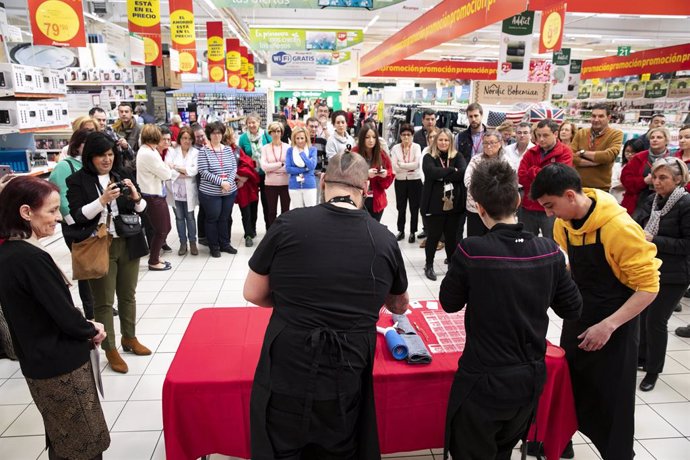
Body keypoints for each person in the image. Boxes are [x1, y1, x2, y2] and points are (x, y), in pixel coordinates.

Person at [243, 151, 409, 459]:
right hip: (346, 368)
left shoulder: (288, 224)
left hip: (288, 362)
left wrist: (290, 304)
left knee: (282, 445)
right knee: (338, 447)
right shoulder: (383, 239)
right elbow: (399, 305)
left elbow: (252, 292)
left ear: (322, 182)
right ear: (366, 189)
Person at [439, 160, 582, 460]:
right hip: (529, 379)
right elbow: (572, 307)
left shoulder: (471, 250)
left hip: (483, 380)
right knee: (503, 450)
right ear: (518, 199)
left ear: (479, 207)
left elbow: (449, 303)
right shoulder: (549, 251)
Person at [531, 163, 660, 459]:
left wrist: (608, 326)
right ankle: (562, 442)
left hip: (617, 322)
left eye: (551, 206)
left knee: (610, 397)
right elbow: (575, 268)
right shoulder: (564, 224)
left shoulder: (618, 227)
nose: (548, 214)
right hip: (579, 315)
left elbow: (649, 288)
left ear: (570, 196)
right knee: (569, 382)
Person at [0, 176, 111, 460]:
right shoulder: (30, 259)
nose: (58, 219)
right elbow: (63, 315)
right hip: (60, 365)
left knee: (61, 436)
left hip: (36, 361)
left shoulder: (9, 253)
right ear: (26, 212)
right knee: (83, 442)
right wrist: (91, 328)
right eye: (50, 211)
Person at [67, 132, 151, 374]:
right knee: (103, 301)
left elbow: (142, 208)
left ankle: (130, 338)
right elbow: (76, 216)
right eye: (101, 155)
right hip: (99, 245)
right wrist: (102, 200)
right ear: (90, 157)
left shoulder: (122, 173)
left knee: (128, 295)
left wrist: (135, 197)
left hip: (129, 241)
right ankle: (110, 347)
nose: (107, 160)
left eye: (110, 154)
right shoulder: (77, 181)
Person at [633, 158, 690, 391]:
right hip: (651, 267)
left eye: (663, 177)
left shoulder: (686, 203)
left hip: (675, 273)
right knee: (643, 317)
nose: (656, 182)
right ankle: (642, 358)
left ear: (678, 180)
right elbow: (637, 221)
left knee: (656, 321)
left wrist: (653, 239)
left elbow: (687, 245)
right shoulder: (653, 199)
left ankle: (654, 370)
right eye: (655, 177)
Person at [49, 128, 96, 320]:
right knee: (84, 266)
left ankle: (100, 302)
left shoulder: (89, 165)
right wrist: (73, 219)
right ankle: (90, 308)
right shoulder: (65, 166)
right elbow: (60, 196)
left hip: (91, 221)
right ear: (77, 144)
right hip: (76, 225)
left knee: (97, 264)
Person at [421, 128, 466, 281]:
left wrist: (442, 174)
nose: (443, 142)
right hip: (434, 205)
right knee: (433, 237)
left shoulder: (458, 156)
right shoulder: (428, 156)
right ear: (435, 141)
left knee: (451, 238)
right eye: (440, 139)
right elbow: (431, 172)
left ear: (451, 142)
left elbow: (462, 174)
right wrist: (451, 170)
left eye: (446, 140)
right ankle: (429, 265)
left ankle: (452, 266)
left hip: (454, 205)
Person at [517, 119, 573, 239]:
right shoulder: (530, 152)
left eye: (545, 135)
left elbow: (558, 181)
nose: (541, 139)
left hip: (553, 208)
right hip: (529, 206)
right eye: (538, 135)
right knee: (526, 244)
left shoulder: (565, 152)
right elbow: (521, 177)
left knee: (552, 244)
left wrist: (532, 171)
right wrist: (545, 174)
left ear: (555, 134)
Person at [198, 121, 238, 257]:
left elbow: (234, 167)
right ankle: (214, 246)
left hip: (229, 190)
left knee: (224, 218)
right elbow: (203, 171)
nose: (217, 136)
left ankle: (225, 244)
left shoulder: (227, 149)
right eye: (214, 133)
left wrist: (228, 182)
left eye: (219, 133)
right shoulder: (204, 151)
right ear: (209, 134)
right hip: (211, 193)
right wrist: (221, 182)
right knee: (212, 218)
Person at [136, 124, 174, 270]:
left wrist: (165, 168)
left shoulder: (148, 150)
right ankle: (153, 261)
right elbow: (167, 174)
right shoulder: (149, 154)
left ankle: (155, 256)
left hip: (156, 194)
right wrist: (168, 167)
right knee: (161, 229)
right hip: (153, 196)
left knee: (165, 227)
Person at [570, 104, 624, 191]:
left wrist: (582, 153)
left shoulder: (616, 134)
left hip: (601, 189)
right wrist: (593, 162)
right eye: (593, 116)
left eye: (601, 116)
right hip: (578, 186)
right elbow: (571, 156)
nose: (596, 119)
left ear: (609, 117)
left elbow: (608, 156)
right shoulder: (581, 133)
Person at [621, 127, 672, 216]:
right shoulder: (638, 157)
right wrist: (644, 181)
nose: (655, 140)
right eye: (652, 137)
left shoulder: (673, 159)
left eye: (659, 137)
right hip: (637, 204)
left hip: (663, 205)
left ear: (666, 140)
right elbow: (625, 179)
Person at [465, 131, 508, 237]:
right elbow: (467, 180)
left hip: (496, 209)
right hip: (475, 208)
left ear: (500, 143)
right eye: (485, 143)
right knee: (475, 240)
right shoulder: (476, 159)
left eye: (492, 142)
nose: (489, 146)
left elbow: (508, 182)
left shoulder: (505, 161)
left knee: (493, 241)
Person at [167, 126, 199, 256]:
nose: (187, 141)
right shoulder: (172, 152)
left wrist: (177, 168)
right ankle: (183, 243)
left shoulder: (195, 153)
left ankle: (192, 242)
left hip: (189, 191)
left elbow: (194, 171)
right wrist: (184, 170)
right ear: (180, 138)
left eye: (190, 139)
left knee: (190, 218)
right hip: (175, 191)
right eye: (184, 138)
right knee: (179, 218)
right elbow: (168, 170)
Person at [351, 124, 394, 221]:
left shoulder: (381, 154)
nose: (371, 140)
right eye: (367, 137)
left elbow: (390, 173)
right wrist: (365, 174)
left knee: (374, 230)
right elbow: (348, 175)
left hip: (377, 199)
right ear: (362, 138)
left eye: (374, 137)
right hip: (359, 198)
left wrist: (385, 174)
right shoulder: (354, 153)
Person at [238, 113, 271, 236]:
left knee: (267, 203)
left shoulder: (266, 135)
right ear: (246, 124)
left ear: (259, 122)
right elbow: (240, 157)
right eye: (249, 123)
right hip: (251, 176)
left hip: (266, 174)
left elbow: (272, 150)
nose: (252, 125)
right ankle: (251, 231)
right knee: (252, 203)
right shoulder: (243, 138)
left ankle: (269, 229)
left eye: (254, 122)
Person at [391, 123, 423, 243]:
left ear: (412, 136)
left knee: (414, 208)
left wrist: (402, 165)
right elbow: (395, 166)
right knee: (401, 207)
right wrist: (408, 167)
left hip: (415, 181)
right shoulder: (395, 148)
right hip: (400, 181)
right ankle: (401, 231)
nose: (406, 137)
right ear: (400, 136)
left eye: (408, 135)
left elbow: (417, 164)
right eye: (403, 135)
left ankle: (413, 232)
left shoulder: (417, 147)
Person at [261, 121, 290, 228]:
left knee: (285, 211)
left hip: (285, 183)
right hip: (270, 184)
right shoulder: (265, 148)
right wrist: (280, 164)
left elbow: (289, 167)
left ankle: (284, 233)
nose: (276, 133)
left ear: (281, 133)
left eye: (278, 131)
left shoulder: (288, 147)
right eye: (273, 131)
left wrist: (272, 167)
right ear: (270, 133)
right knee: (271, 211)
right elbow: (264, 166)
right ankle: (272, 233)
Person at [285, 126, 318, 208]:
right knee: (297, 213)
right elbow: (288, 169)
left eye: (302, 138)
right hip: (294, 186)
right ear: (294, 139)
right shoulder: (290, 151)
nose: (300, 141)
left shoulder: (312, 150)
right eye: (297, 138)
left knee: (310, 213)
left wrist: (302, 154)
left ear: (306, 138)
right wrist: (304, 169)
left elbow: (312, 166)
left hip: (309, 185)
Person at [610, 137, 646, 204]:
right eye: (627, 151)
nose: (630, 155)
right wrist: (633, 184)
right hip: (616, 201)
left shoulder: (644, 168)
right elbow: (612, 184)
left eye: (633, 152)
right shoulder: (617, 166)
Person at [192, 123, 208, 244]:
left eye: (202, 135)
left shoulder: (207, 146)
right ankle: (202, 235)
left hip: (208, 184)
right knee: (203, 210)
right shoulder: (194, 151)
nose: (201, 138)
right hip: (199, 184)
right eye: (197, 137)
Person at [307, 116, 328, 202]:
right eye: (311, 126)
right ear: (306, 126)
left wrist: (323, 171)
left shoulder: (322, 141)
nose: (313, 129)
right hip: (304, 175)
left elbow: (326, 158)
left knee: (315, 201)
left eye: (316, 126)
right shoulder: (301, 140)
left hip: (317, 175)